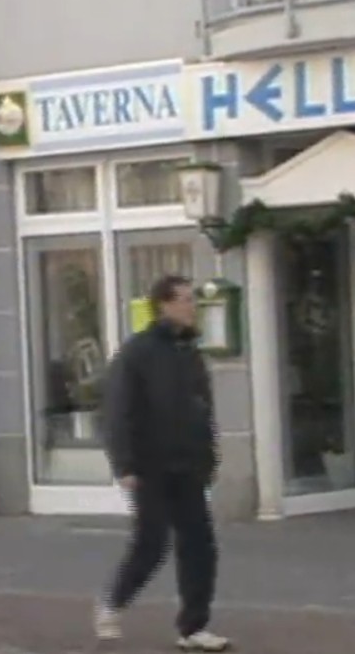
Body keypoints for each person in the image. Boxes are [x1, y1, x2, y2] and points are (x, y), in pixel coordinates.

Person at [95, 275, 229, 652]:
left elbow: (201, 410)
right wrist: (124, 464)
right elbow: (118, 410)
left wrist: (209, 457)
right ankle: (113, 603)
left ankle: (193, 627)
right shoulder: (138, 352)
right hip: (150, 465)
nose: (192, 307)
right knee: (151, 543)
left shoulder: (190, 352)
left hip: (187, 465)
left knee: (200, 546)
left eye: (192, 299)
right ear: (164, 305)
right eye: (184, 300)